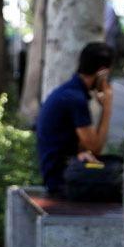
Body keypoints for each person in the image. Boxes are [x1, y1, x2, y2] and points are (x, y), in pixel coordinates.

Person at [36, 42, 115, 196]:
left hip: (62, 172)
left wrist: (82, 152)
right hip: (60, 180)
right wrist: (107, 107)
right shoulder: (75, 99)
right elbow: (95, 147)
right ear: (102, 73)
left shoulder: (69, 91)